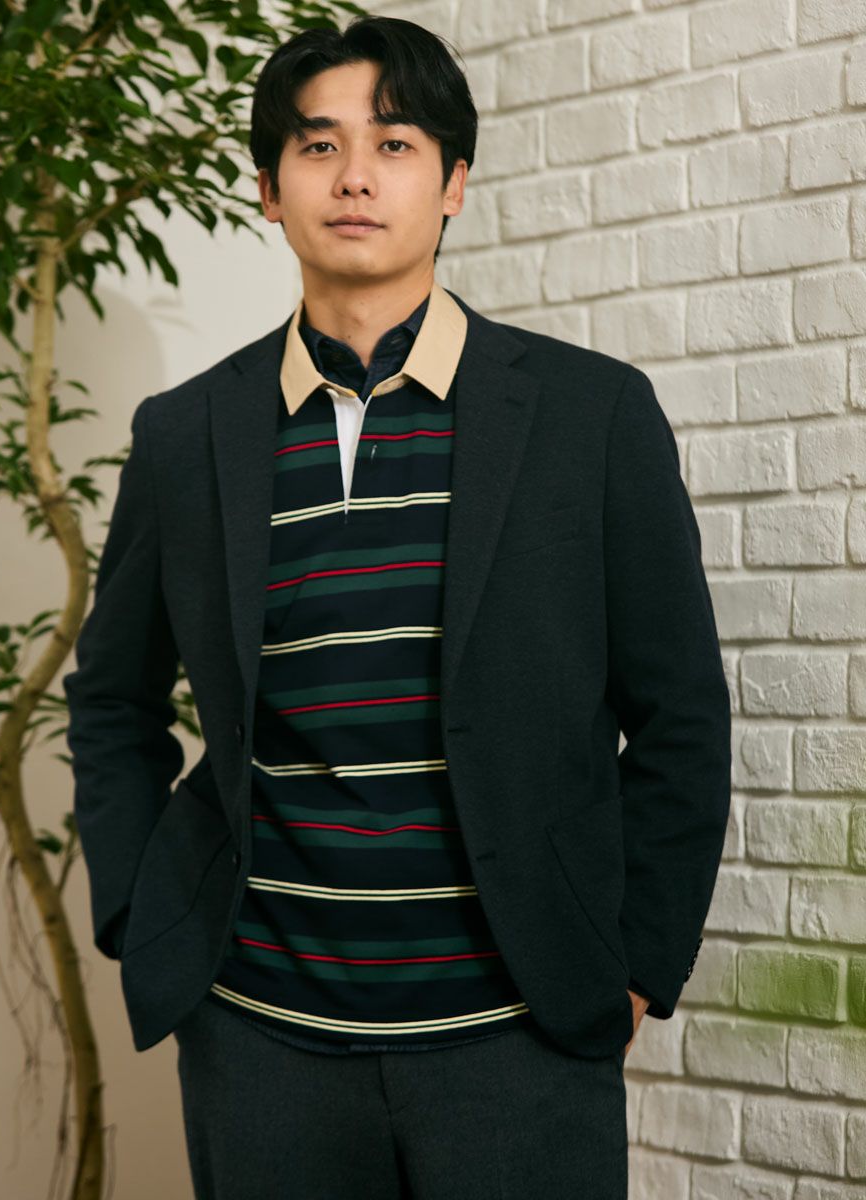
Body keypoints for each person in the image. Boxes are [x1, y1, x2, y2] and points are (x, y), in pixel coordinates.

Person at [63, 14, 731, 1199]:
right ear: (268, 188)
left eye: (396, 143)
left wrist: (633, 962)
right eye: (318, 147)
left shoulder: (591, 415)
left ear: (454, 182)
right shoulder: (186, 436)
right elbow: (113, 699)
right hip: (258, 1036)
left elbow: (679, 712)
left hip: (518, 1034)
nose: (356, 177)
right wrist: (138, 909)